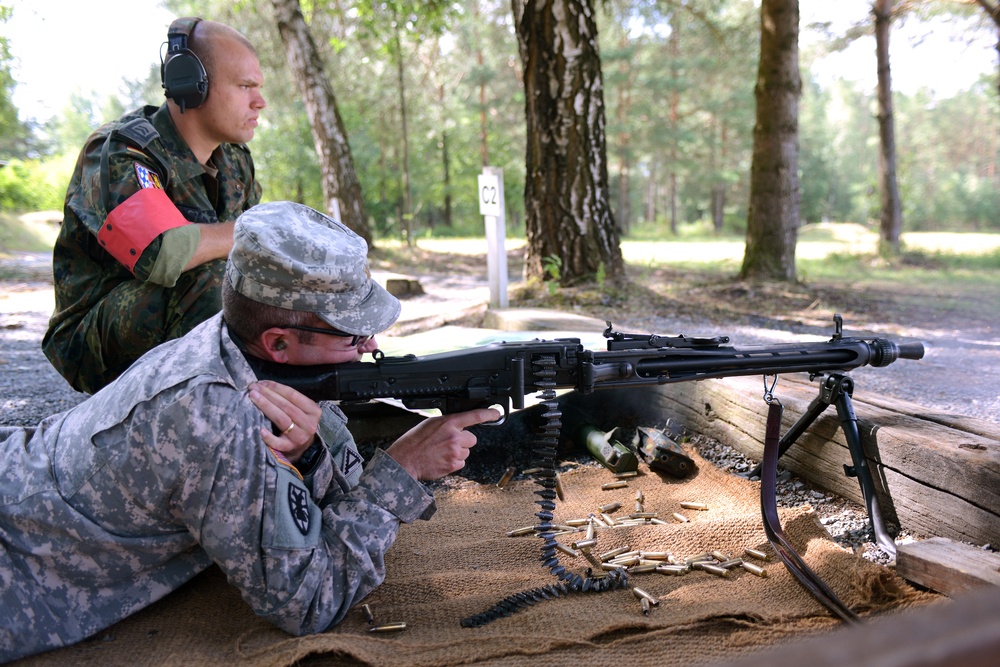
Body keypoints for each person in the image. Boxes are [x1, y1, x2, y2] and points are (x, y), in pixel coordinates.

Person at [0, 201, 500, 662]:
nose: (370, 344)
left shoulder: (241, 350)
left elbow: (318, 503)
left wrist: (308, 457)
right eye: (351, 333)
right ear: (278, 342)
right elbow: (306, 603)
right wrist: (402, 470)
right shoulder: (222, 415)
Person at [42, 17, 266, 394]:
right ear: (190, 84)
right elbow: (161, 252)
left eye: (258, 87)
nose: (260, 101)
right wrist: (260, 231)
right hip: (94, 338)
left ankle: (257, 403)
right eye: (245, 86)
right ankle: (208, 415)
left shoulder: (235, 160)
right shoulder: (122, 150)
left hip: (177, 323)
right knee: (213, 280)